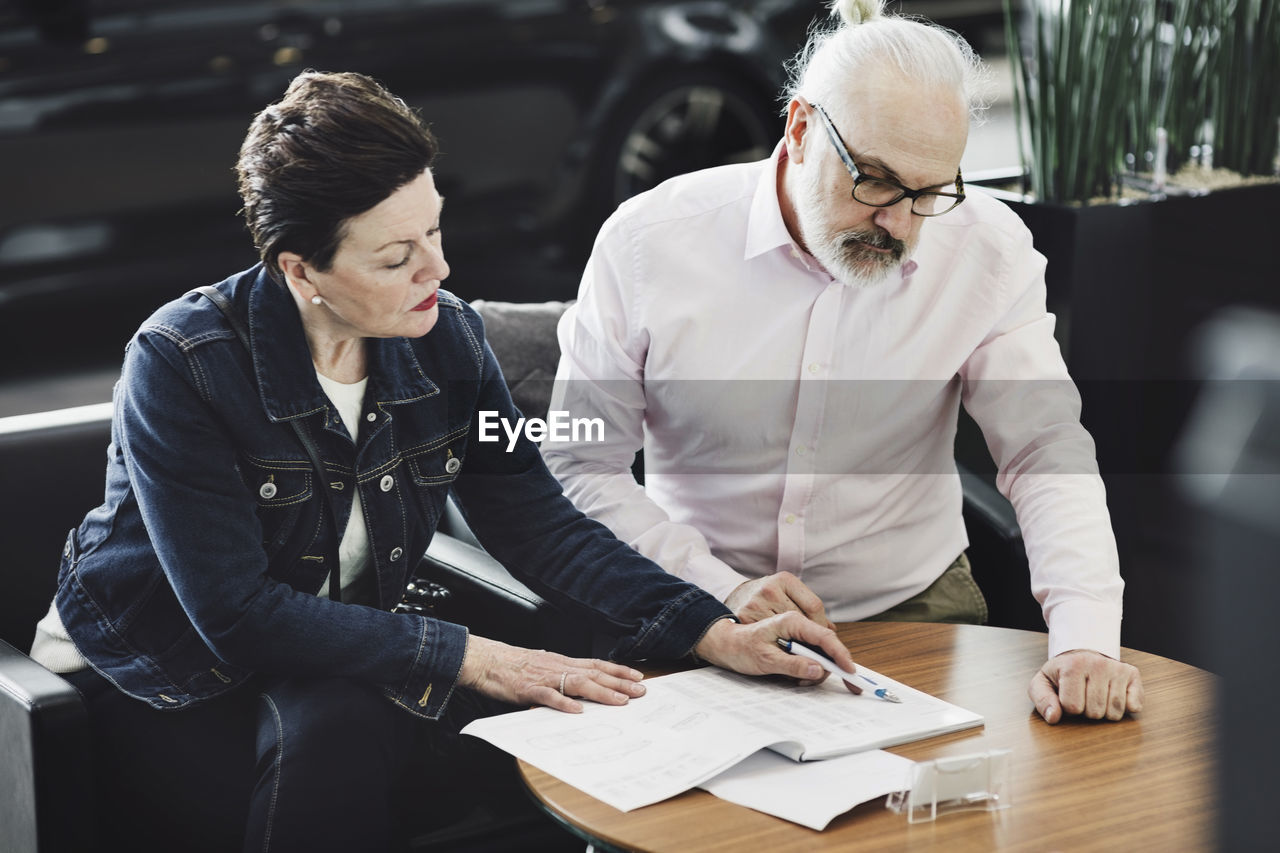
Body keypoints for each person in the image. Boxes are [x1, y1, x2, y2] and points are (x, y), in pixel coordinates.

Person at [27, 70, 855, 852]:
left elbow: (539, 521)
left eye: (434, 228)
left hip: (340, 641)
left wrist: (709, 626)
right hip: (160, 663)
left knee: (533, 698)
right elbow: (236, 613)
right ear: (300, 270)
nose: (440, 269)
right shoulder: (181, 362)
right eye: (396, 258)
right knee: (349, 728)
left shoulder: (450, 341)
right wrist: (472, 656)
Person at [543, 0, 1144, 726]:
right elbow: (583, 465)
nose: (897, 223)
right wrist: (720, 587)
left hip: (914, 606)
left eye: (928, 193)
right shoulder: (649, 244)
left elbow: (1045, 447)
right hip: (692, 603)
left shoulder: (986, 250)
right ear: (799, 129)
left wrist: (1086, 638)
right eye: (877, 182)